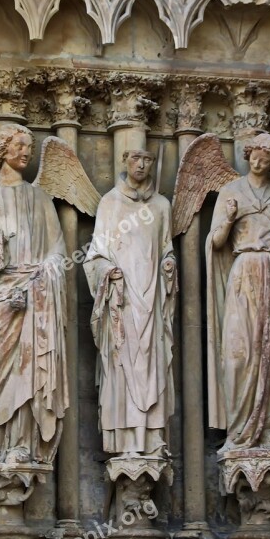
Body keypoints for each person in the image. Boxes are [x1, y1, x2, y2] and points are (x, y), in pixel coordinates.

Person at [0, 123, 68, 467]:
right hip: (1, 290)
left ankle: (21, 442)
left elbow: (58, 250)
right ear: (2, 150)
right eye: (20, 145)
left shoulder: (40, 199)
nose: (26, 152)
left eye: (29, 147)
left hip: (36, 292)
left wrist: (39, 279)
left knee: (28, 367)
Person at [207, 132, 270, 451]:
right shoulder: (230, 191)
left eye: (267, 156)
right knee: (240, 351)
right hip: (245, 270)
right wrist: (230, 218)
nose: (259, 160)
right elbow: (217, 241)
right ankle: (240, 430)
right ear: (248, 155)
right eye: (255, 154)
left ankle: (269, 429)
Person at [84, 149, 176, 458]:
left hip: (152, 299)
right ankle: (124, 440)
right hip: (121, 301)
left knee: (153, 364)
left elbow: (167, 249)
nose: (141, 164)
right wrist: (107, 273)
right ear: (124, 160)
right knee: (121, 365)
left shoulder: (162, 206)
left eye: (148, 159)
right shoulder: (110, 203)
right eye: (136, 158)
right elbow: (94, 255)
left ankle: (151, 438)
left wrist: (169, 266)